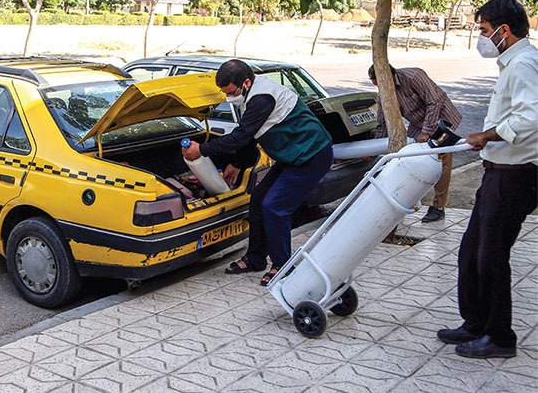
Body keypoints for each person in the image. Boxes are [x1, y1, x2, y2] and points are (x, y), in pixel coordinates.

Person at [437, 0, 537, 359]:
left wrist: (487, 135)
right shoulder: (514, 63)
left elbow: (531, 119)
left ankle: (499, 338)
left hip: (515, 177)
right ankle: (475, 323)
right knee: (471, 252)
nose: (481, 37)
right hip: (497, 173)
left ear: (504, 31)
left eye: (484, 30)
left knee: (491, 257)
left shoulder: (525, 64)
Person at [182, 59, 333, 286]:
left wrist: (202, 149)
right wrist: (237, 163)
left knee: (274, 207)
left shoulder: (263, 97)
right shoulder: (249, 95)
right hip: (292, 156)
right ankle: (255, 258)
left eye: (231, 92)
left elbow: (242, 135)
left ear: (246, 82)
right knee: (258, 200)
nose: (229, 97)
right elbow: (251, 136)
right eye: (224, 93)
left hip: (311, 155)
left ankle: (283, 266)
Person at [368, 64, 462, 222]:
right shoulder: (383, 91)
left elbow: (434, 102)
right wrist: (375, 148)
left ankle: (438, 207)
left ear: (388, 76)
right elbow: (383, 122)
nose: (380, 89)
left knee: (441, 161)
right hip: (418, 123)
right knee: (408, 156)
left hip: (441, 119)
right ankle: (403, 200)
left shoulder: (413, 76)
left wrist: (426, 131)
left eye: (380, 84)